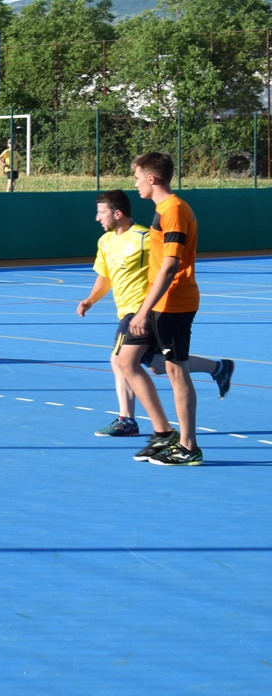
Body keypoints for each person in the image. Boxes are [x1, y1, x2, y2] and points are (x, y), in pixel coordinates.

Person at [75, 189, 233, 439]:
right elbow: (105, 276)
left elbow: (170, 260)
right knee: (157, 365)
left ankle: (128, 420)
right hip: (127, 311)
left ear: (118, 213)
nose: (97, 218)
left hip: (141, 310)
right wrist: (90, 300)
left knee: (120, 360)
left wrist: (152, 304)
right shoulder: (105, 242)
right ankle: (218, 368)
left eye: (101, 212)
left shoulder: (144, 238)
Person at [124, 152, 214, 465]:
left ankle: (189, 447)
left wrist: (143, 311)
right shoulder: (163, 209)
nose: (135, 184)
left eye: (137, 178)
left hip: (173, 303)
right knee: (126, 360)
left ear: (152, 178)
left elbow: (171, 265)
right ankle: (164, 433)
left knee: (176, 370)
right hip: (157, 302)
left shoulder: (174, 209)